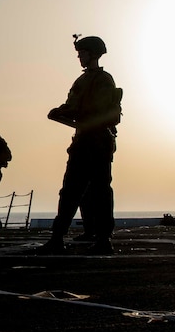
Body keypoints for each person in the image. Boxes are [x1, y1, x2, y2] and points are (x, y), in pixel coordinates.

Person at [35, 35, 122, 255]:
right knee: (70, 190)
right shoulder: (81, 80)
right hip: (83, 139)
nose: (79, 57)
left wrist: (71, 113)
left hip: (98, 140)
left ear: (93, 54)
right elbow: (72, 104)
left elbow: (98, 109)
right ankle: (57, 237)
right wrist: (61, 111)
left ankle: (103, 239)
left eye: (82, 53)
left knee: (100, 192)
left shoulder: (103, 79)